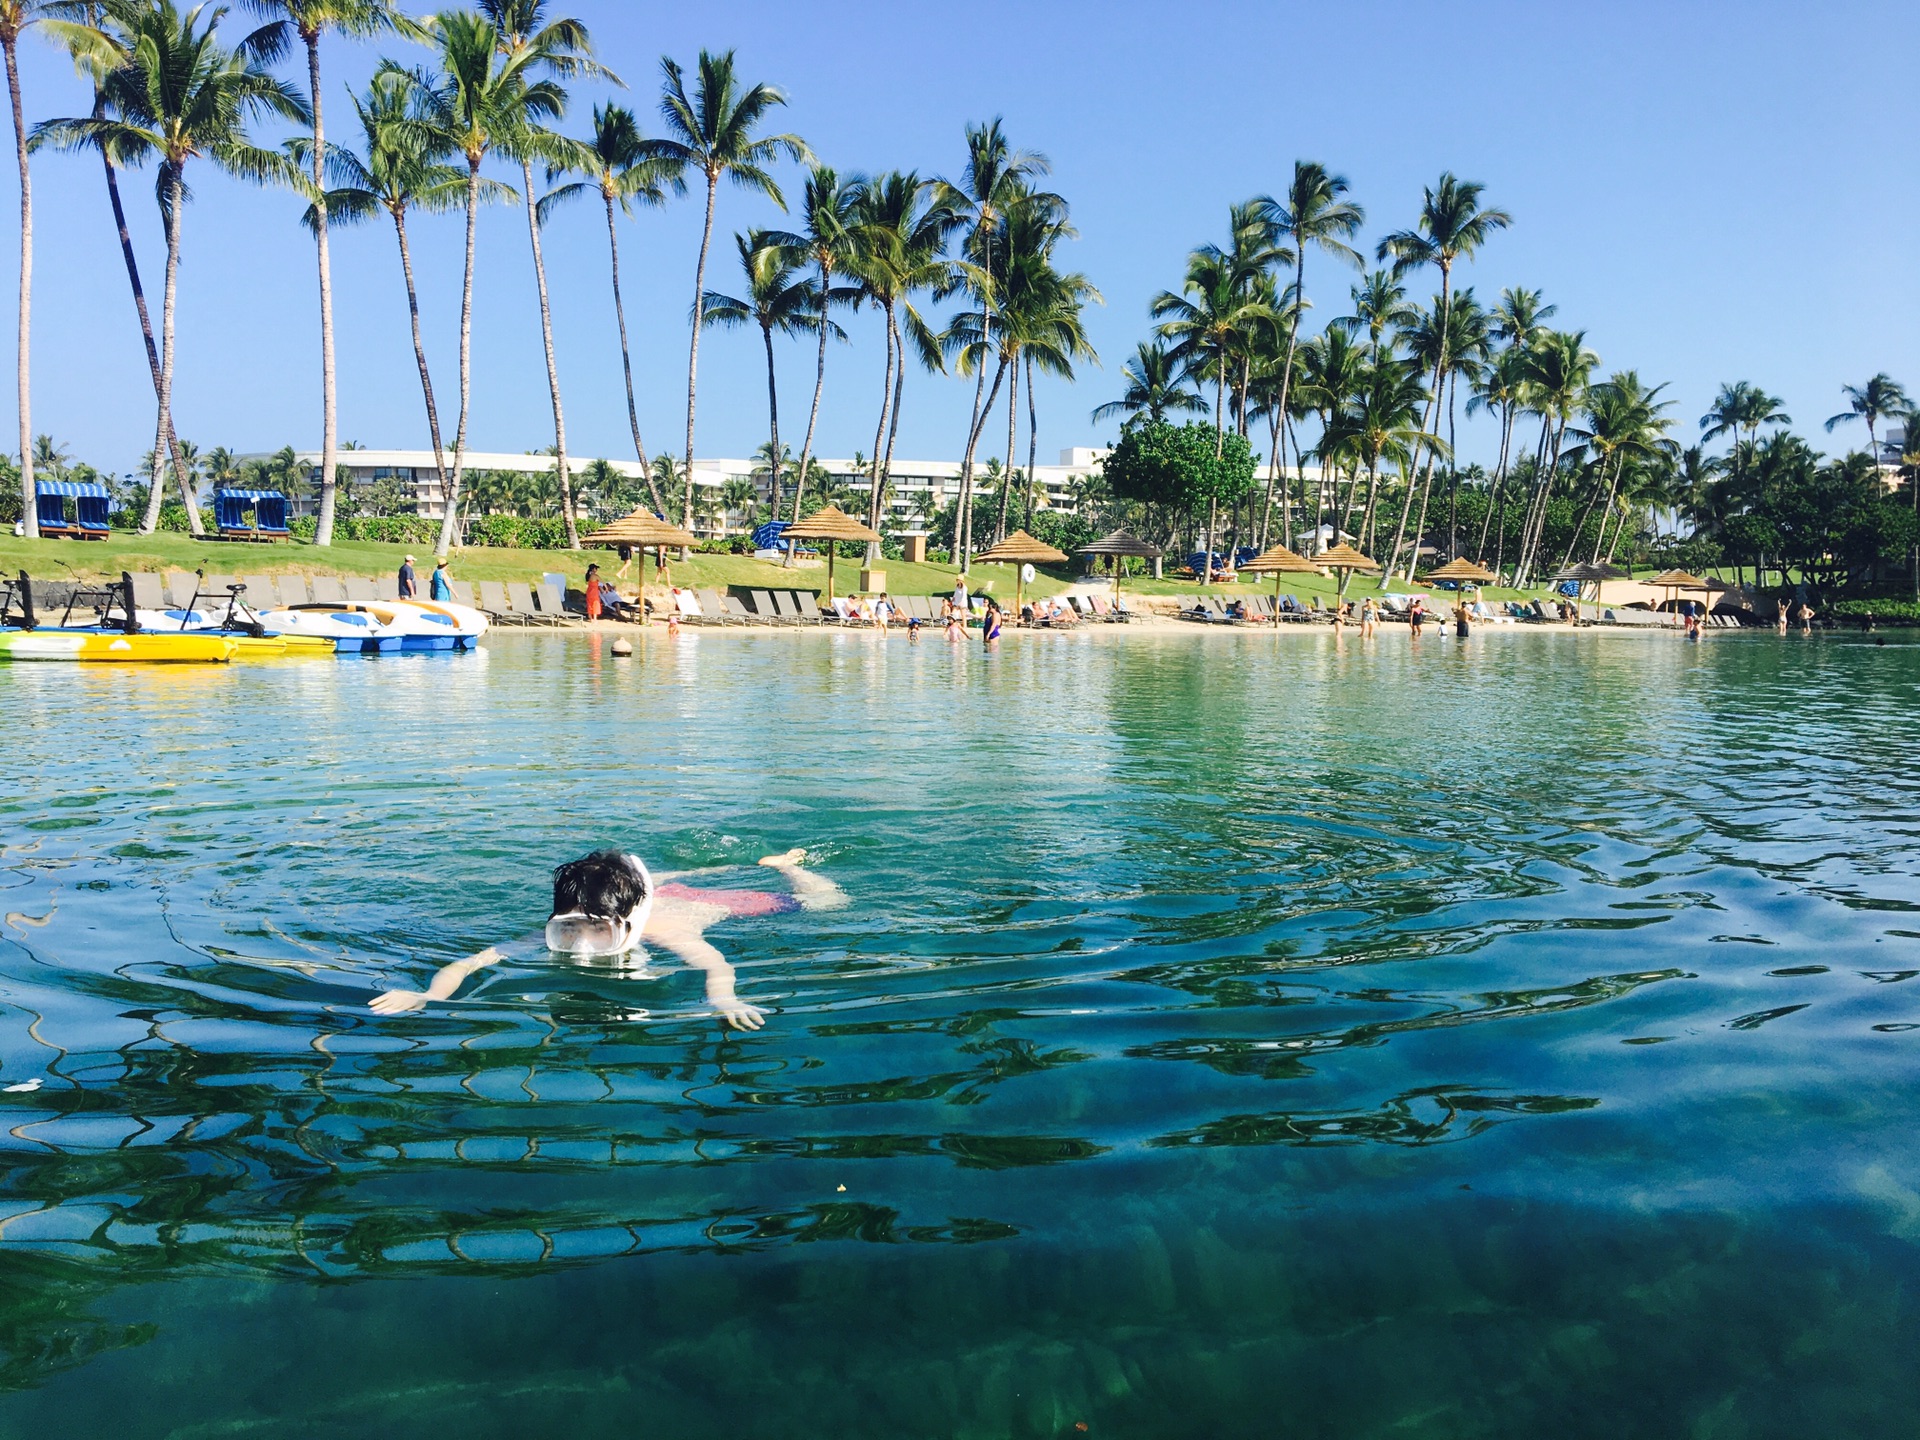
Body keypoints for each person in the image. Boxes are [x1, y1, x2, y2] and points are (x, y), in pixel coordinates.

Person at [369, 848, 847, 1031]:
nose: (579, 946)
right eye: (568, 930)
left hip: (706, 903)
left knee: (826, 904)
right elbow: (472, 963)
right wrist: (429, 994)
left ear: (629, 925)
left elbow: (715, 965)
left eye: (599, 931)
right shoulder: (560, 928)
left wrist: (723, 1000)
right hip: (650, 893)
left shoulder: (666, 929)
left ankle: (785, 866)